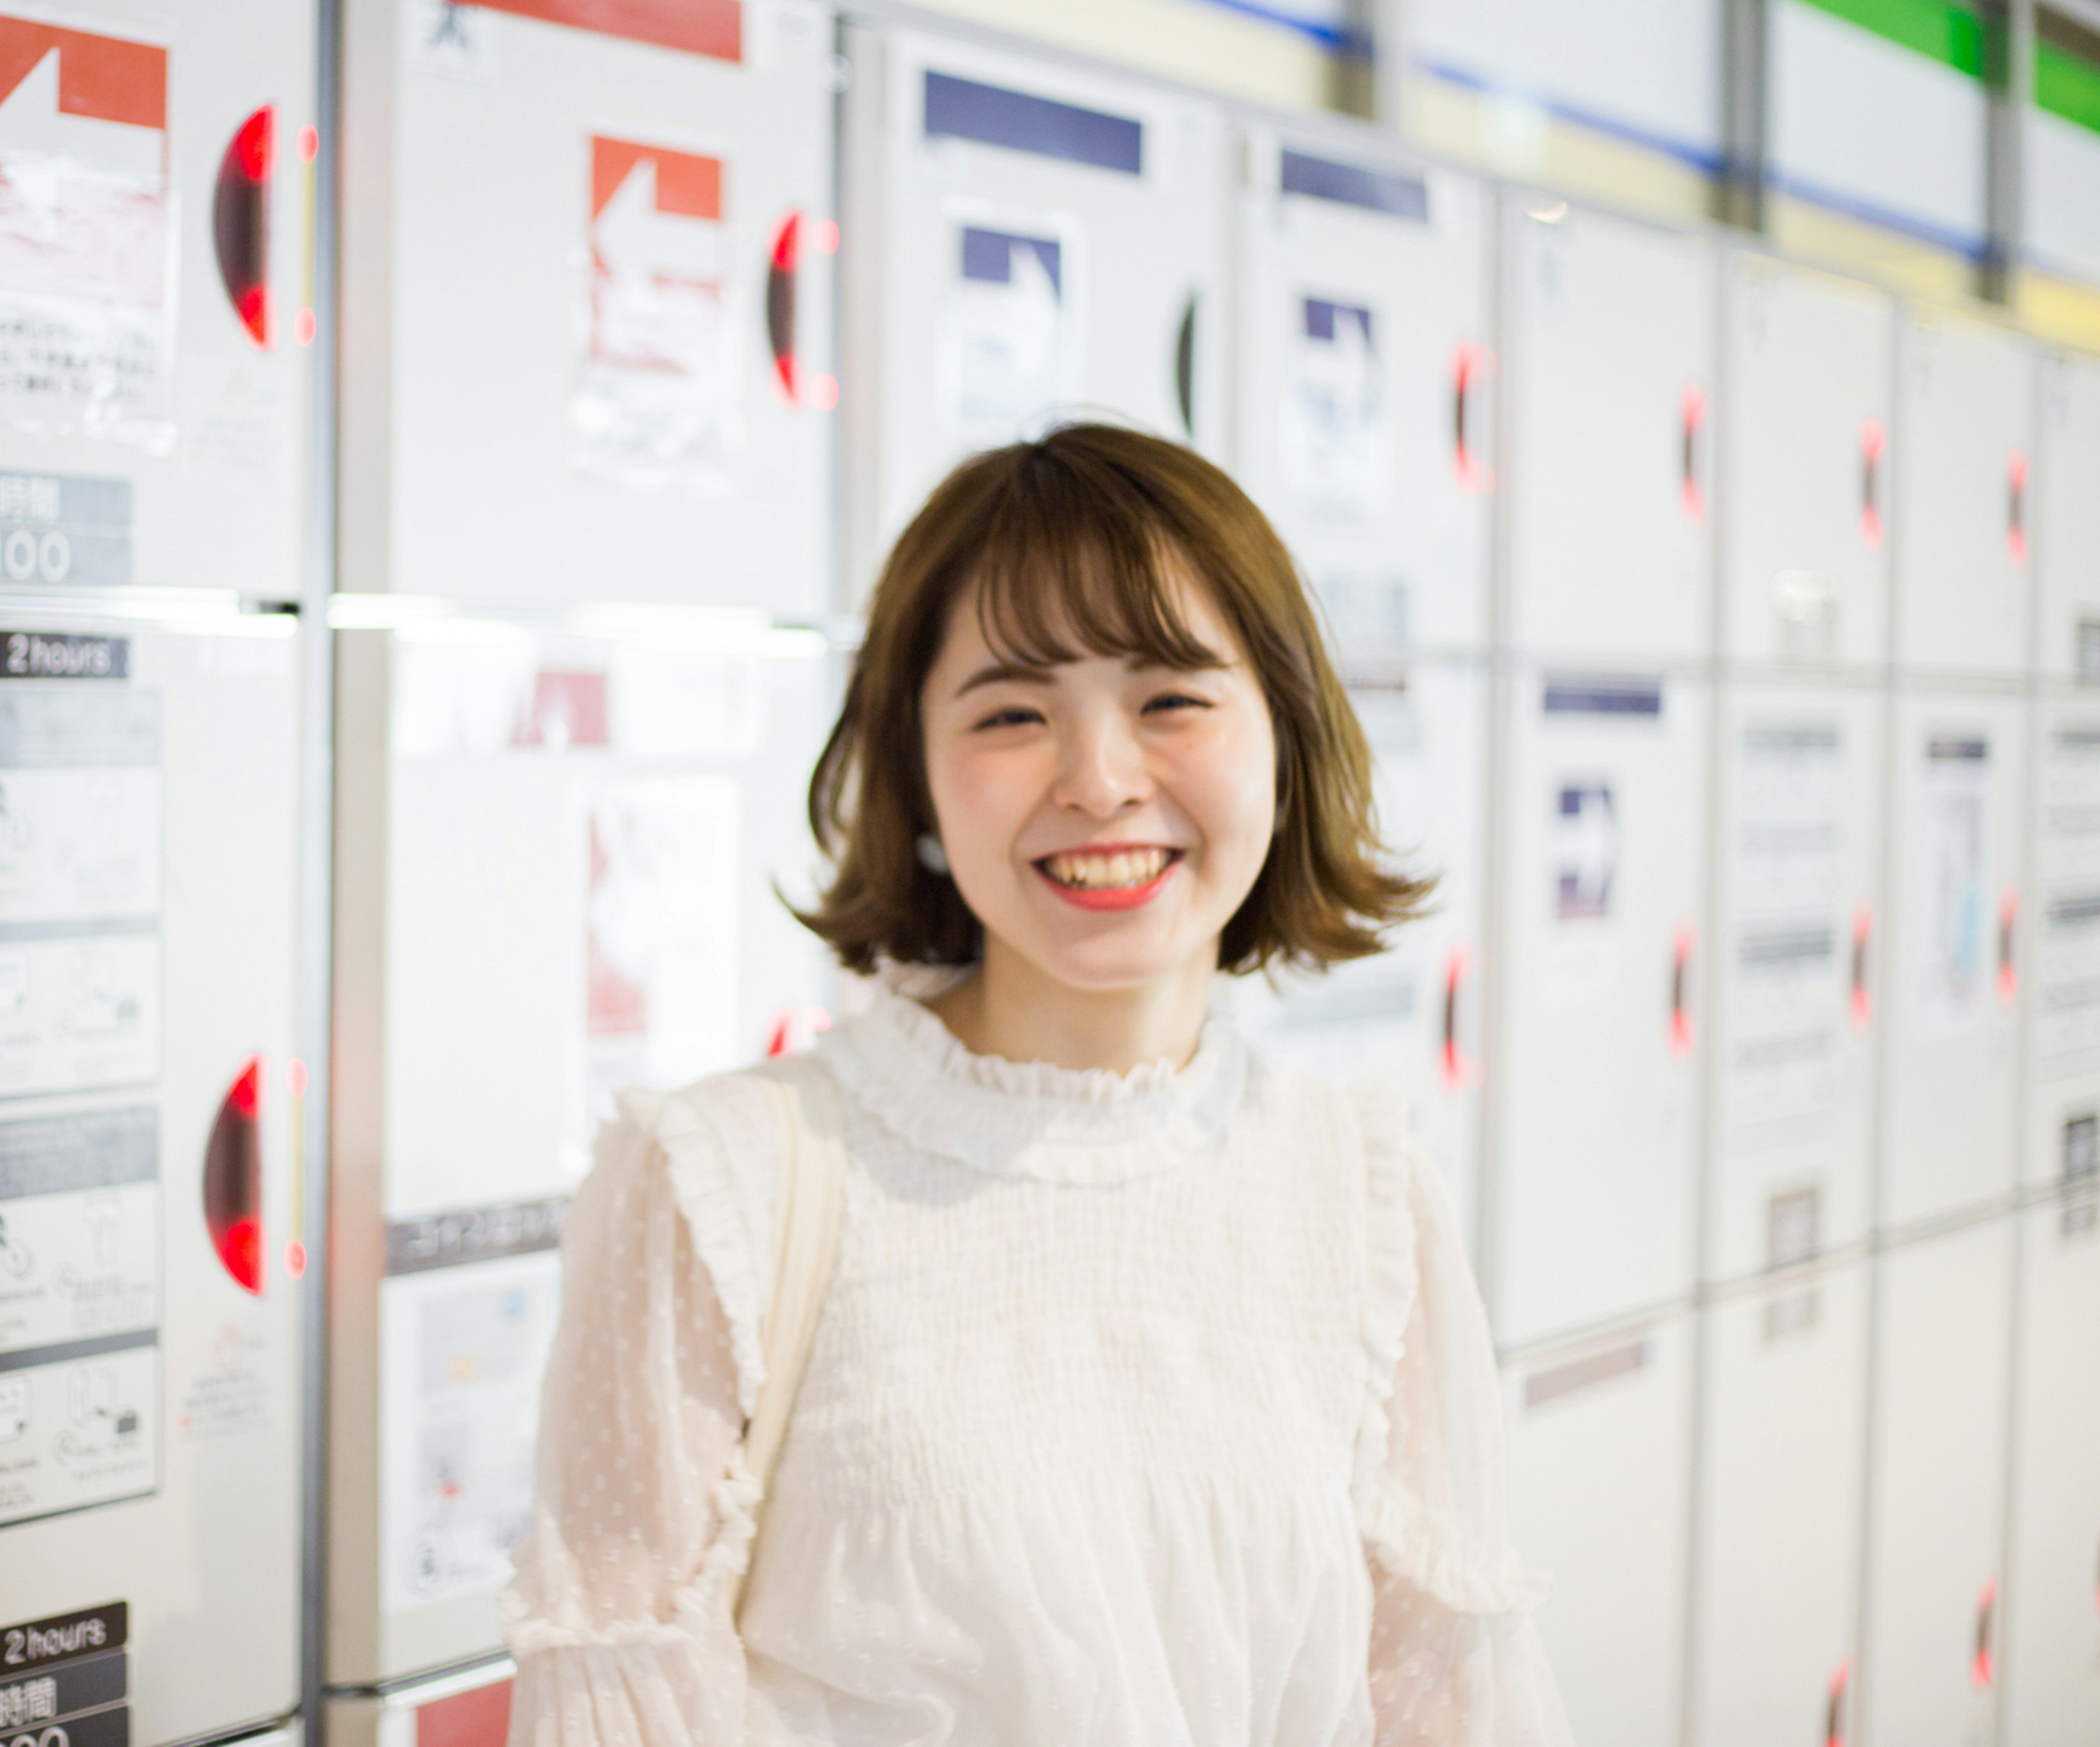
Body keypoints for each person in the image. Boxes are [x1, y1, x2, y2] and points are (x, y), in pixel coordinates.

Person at [503, 424, 1573, 1745]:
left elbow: (1441, 1703)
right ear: (921, 783)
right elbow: (622, 1701)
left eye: (1172, 699)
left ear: (1284, 734)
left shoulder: (1358, 1190)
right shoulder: (724, 1181)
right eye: (1013, 714)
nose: (1101, 781)